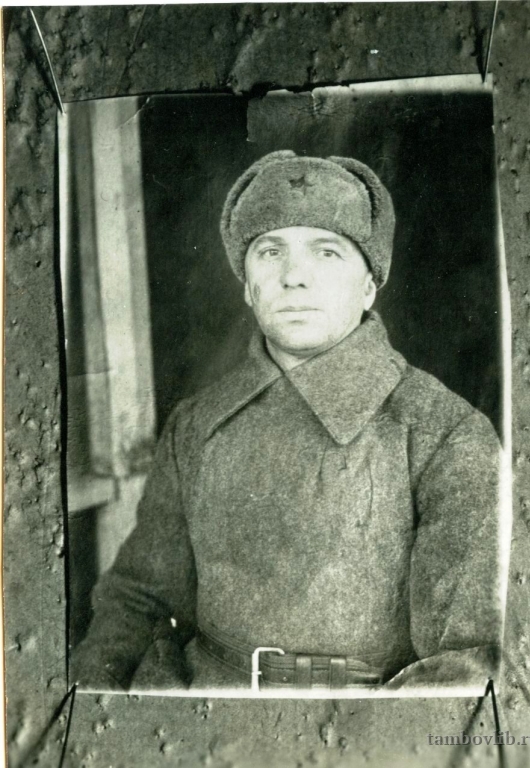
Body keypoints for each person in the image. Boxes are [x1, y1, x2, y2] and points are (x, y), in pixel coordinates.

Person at [72, 150, 504, 693]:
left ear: (369, 285)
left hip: (366, 726)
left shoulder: (445, 434)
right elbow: (137, 602)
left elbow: (468, 663)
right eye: (270, 251)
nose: (294, 276)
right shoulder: (197, 425)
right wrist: (87, 711)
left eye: (326, 251)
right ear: (246, 285)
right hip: (198, 713)